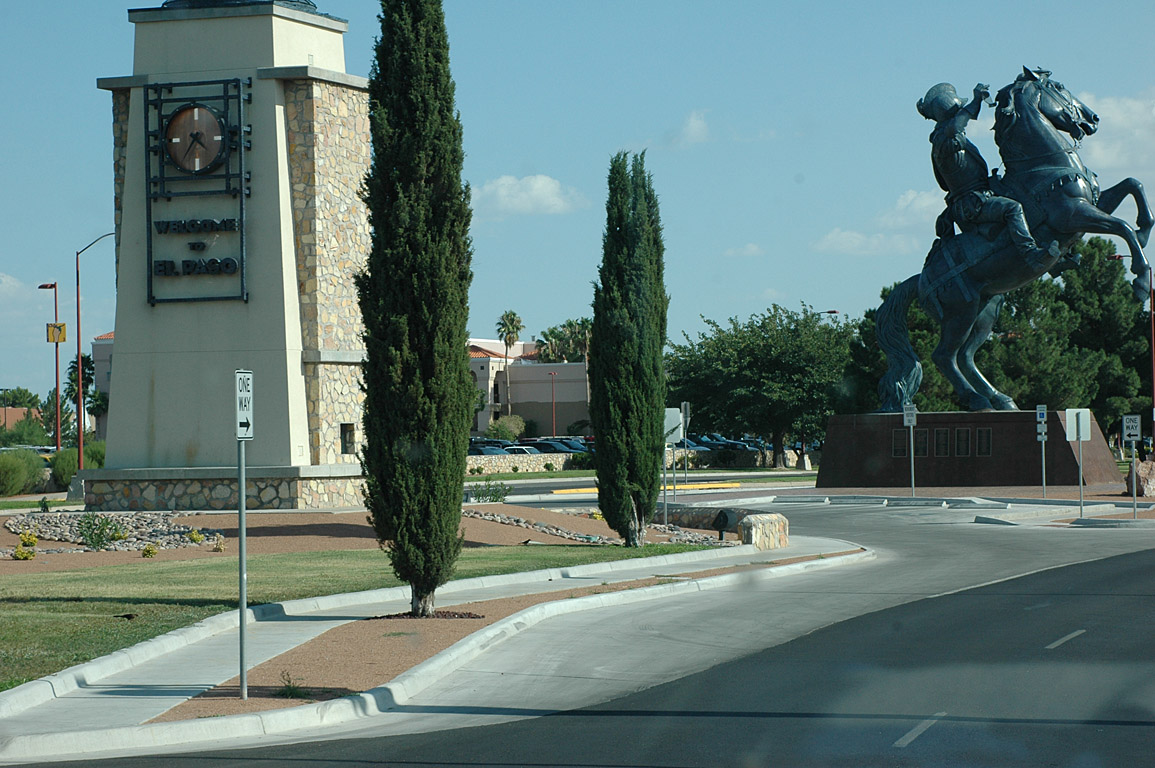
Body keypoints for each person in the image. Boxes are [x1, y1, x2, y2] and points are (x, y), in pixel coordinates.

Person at [918, 82, 1059, 266]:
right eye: (958, 113)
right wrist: (976, 100)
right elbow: (955, 128)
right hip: (970, 204)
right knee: (1013, 208)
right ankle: (1030, 253)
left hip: (980, 196)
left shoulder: (951, 139)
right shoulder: (943, 141)